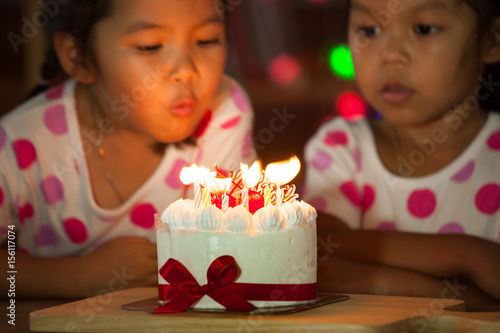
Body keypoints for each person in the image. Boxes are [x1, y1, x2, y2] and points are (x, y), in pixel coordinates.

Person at [0, 0, 256, 299]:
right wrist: (76, 276)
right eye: (149, 46)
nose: (186, 70)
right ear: (78, 57)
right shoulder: (18, 146)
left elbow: (232, 242)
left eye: (206, 40)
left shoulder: (223, 112)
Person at [303, 0, 500, 309]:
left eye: (423, 29)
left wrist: (369, 276)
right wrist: (470, 255)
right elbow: (319, 245)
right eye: (369, 29)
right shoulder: (343, 146)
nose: (390, 54)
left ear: (491, 40)